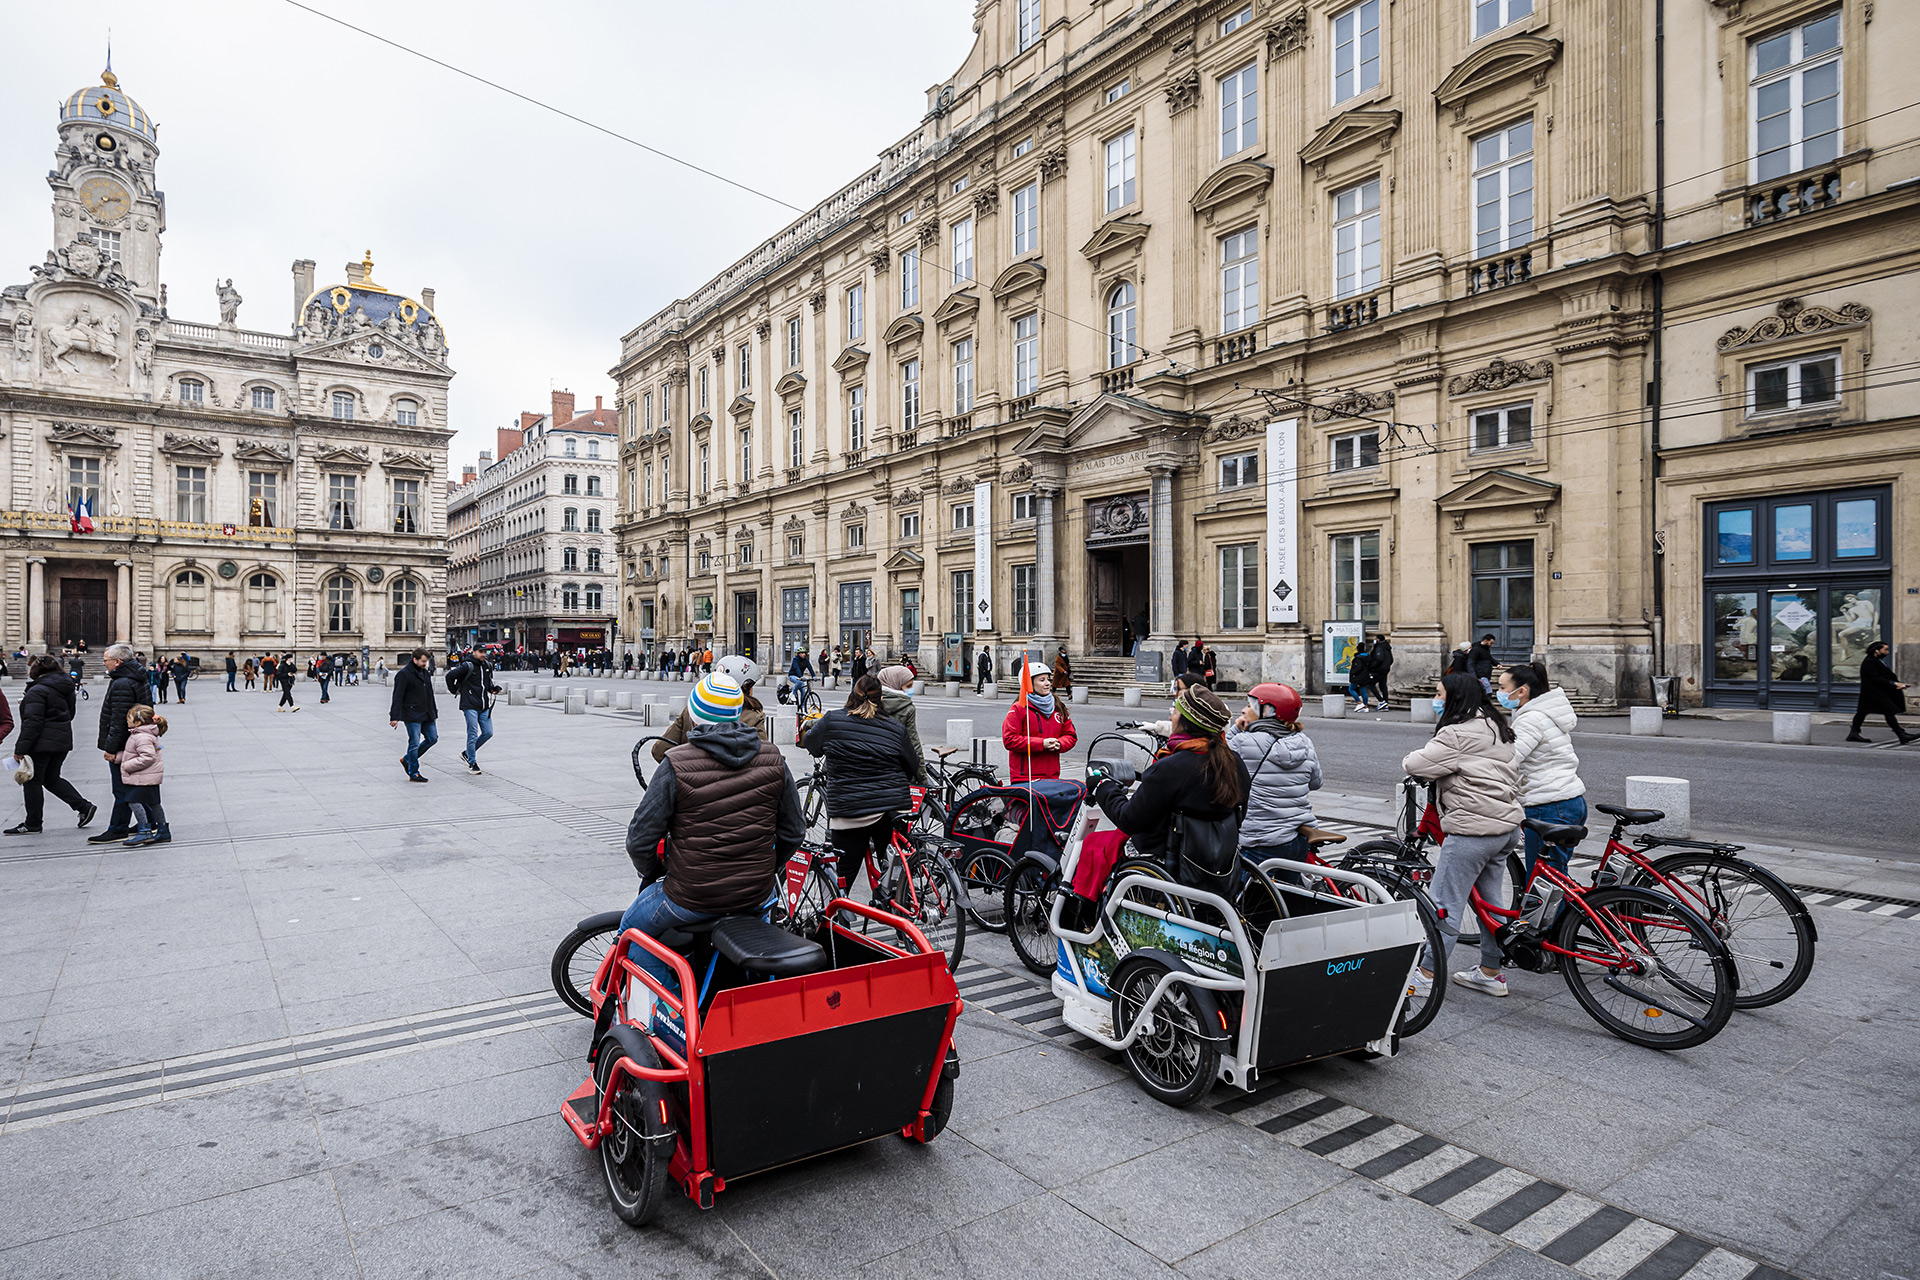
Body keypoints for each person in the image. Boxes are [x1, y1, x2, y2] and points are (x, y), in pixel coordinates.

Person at [619, 673, 805, 999]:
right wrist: (767, 868)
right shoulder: (774, 758)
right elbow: (794, 831)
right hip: (756, 894)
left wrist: (653, 872)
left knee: (632, 933)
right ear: (738, 712)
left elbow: (640, 838)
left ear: (693, 714)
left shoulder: (676, 762)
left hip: (691, 896)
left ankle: (672, 1004)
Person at [1404, 673, 1524, 1000]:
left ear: (1455, 698)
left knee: (1444, 904)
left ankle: (1427, 972)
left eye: (1439, 693)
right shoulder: (1497, 726)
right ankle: (1490, 971)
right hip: (1505, 829)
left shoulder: (1456, 733)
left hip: (1472, 831)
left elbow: (1416, 763)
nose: (1436, 698)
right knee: (1490, 904)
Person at [1089, 683, 1249, 880]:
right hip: (1216, 862)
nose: (1171, 717)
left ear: (1185, 721)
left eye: (1175, 711)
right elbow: (1239, 816)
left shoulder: (1172, 768)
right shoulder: (1235, 762)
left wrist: (1103, 787)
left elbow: (1128, 820)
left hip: (1169, 861)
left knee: (1094, 845)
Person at [799, 675, 920, 895]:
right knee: (895, 872)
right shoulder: (895, 728)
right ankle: (896, 905)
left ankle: (836, 920)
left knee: (840, 881)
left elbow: (811, 744)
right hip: (891, 809)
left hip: (850, 811)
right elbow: (912, 765)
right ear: (881, 698)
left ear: (852, 695)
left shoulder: (832, 721)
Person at [1500, 663, 1587, 878]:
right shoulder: (1546, 713)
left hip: (1548, 806)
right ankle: (1574, 912)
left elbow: (1510, 760)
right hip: (1569, 800)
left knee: (1543, 883)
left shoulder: (1531, 719)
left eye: (1502, 687)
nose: (1498, 693)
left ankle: (1561, 913)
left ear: (1522, 691)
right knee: (1557, 875)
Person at [1228, 683, 1321, 865]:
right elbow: (1316, 783)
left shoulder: (1243, 742)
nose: (1243, 710)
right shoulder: (1304, 742)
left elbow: (1221, 757)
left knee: (1243, 892)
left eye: (1249, 705)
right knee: (1289, 892)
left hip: (1260, 839)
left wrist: (1236, 728)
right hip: (1298, 836)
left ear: (1268, 710)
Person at [7, 655, 92, 835]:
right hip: (62, 740)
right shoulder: (66, 687)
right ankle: (84, 806)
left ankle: (33, 823)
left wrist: (20, 749)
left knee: (32, 781)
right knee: (51, 778)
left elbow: (32, 722)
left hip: (41, 743)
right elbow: (69, 714)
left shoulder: (37, 690)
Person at [88, 644, 153, 844]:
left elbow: (118, 719)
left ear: (118, 662)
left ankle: (118, 828)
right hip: (136, 739)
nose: (103, 663)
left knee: (122, 788)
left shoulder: (122, 683)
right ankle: (151, 820)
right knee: (133, 785)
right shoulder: (136, 676)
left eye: (106, 660)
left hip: (125, 743)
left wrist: (110, 748)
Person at [651, 655, 770, 760]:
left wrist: (686, 767)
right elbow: (765, 759)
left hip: (694, 783)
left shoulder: (693, 711)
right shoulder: (752, 716)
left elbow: (660, 750)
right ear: (744, 686)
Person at [1002, 661, 1077, 782]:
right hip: (1026, 777)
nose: (1047, 683)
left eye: (1048, 679)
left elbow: (1070, 735)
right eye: (1042, 680)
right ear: (1029, 684)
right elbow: (1009, 740)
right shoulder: (1018, 708)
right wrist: (1042, 744)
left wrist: (1060, 743)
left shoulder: (1058, 707)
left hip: (1052, 775)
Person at [113, 705, 169, 846]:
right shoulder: (142, 734)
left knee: (133, 801)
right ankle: (163, 830)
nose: (126, 721)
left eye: (129, 719)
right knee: (154, 803)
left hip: (142, 777)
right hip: (149, 777)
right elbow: (133, 754)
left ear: (138, 722)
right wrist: (117, 758)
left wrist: (126, 766)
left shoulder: (141, 736)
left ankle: (144, 830)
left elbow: (148, 757)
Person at [448, 648, 503, 774]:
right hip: (469, 705)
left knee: (488, 732)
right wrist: (455, 690)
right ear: (474, 652)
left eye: (485, 652)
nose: (483, 654)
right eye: (480, 652)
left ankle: (467, 753)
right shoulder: (467, 666)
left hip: (484, 705)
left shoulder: (487, 665)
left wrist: (493, 689)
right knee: (472, 733)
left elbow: (487, 684)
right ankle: (472, 762)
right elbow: (450, 676)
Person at [1848, 641, 1915, 744]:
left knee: (1862, 712)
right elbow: (1876, 678)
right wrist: (1894, 684)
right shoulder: (1870, 662)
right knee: (1889, 711)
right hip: (1874, 692)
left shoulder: (1876, 660)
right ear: (1877, 651)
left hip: (1873, 692)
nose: (1887, 652)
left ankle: (1853, 733)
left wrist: (1897, 684)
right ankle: (1901, 735)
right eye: (1885, 650)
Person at [389, 649, 439, 781]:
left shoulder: (425, 673)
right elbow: (397, 696)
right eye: (423, 661)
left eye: (426, 661)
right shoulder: (404, 674)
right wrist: (394, 716)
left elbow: (430, 694)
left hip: (427, 712)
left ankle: (407, 759)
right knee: (414, 743)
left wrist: (434, 711)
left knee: (432, 738)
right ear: (415, 659)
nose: (425, 664)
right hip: (411, 713)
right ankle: (413, 772)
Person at [876, 665, 929, 785]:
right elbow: (914, 743)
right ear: (896, 684)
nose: (911, 690)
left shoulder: (868, 702)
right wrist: (922, 778)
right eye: (908, 686)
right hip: (898, 769)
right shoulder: (907, 708)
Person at [1346, 640, 1376, 711]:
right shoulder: (1367, 657)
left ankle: (1359, 703)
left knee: (1351, 689)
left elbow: (1358, 667)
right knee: (1363, 691)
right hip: (1365, 676)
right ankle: (1365, 706)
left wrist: (1353, 672)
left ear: (1357, 648)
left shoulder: (1358, 658)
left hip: (1358, 676)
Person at [1368, 634, 1394, 708]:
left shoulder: (1379, 647)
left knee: (1371, 684)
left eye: (1375, 638)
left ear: (1378, 640)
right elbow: (1391, 659)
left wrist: (1372, 666)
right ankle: (1385, 703)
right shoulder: (1387, 647)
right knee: (1383, 686)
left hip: (1378, 670)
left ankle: (1381, 701)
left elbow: (1379, 659)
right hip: (1385, 669)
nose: (1374, 640)